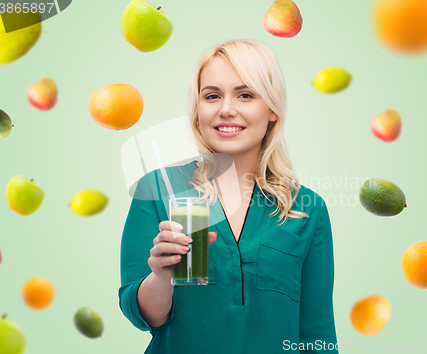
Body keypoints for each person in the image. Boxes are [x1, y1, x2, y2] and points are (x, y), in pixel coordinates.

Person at [119, 39, 338, 354]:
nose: (226, 109)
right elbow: (141, 316)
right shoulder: (157, 190)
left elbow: (317, 334)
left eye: (245, 95)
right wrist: (161, 277)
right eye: (212, 96)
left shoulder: (306, 208)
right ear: (198, 111)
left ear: (273, 109)